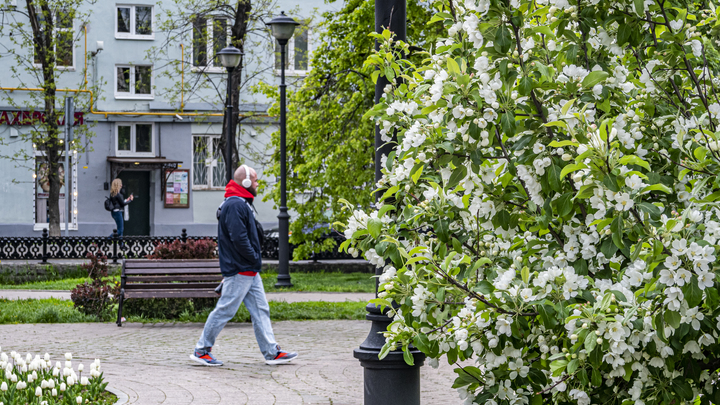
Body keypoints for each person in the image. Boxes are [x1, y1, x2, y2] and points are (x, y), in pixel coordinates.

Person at [190, 165, 298, 366]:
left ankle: (271, 352)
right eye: (255, 181)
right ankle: (201, 349)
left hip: (248, 269)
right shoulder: (235, 205)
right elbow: (239, 238)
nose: (257, 185)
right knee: (226, 309)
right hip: (241, 268)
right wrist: (253, 257)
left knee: (260, 310)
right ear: (246, 183)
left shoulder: (239, 203)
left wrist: (253, 261)